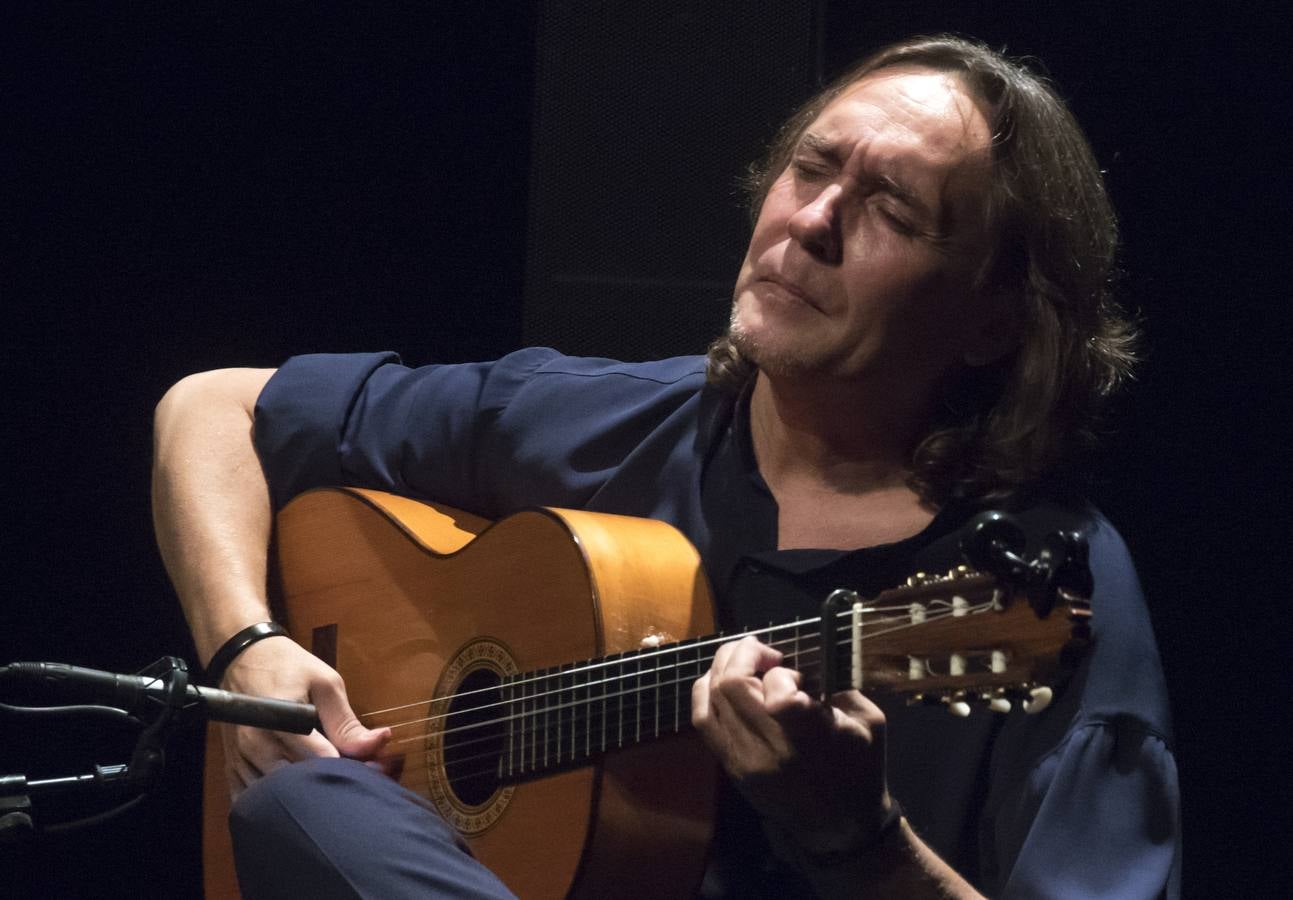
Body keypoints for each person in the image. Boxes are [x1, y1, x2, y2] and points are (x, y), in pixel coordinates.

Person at [152, 34, 1179, 899]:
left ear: (995, 320)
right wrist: (246, 648)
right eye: (811, 168)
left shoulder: (1049, 593)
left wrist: (860, 842)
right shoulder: (613, 421)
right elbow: (213, 409)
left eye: (893, 212)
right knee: (306, 803)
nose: (812, 222)